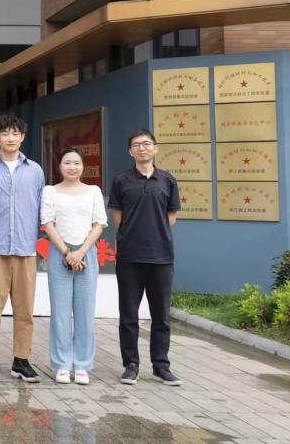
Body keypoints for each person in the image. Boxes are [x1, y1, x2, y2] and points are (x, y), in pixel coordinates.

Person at [0, 113, 46, 384]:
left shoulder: (35, 171)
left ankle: (21, 360)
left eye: (15, 133)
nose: (11, 138)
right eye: (5, 133)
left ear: (22, 137)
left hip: (25, 248)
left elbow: (39, 206)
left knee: (25, 309)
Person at [109, 129, 181, 387]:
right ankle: (131, 365)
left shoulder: (168, 180)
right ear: (130, 151)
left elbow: (171, 216)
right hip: (129, 256)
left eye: (146, 143)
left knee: (161, 315)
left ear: (155, 148)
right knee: (129, 314)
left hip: (161, 256)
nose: (142, 148)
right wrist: (132, 235)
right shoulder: (121, 180)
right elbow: (117, 217)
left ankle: (161, 366)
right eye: (136, 145)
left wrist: (155, 234)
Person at [40, 148, 107, 386]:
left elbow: (99, 224)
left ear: (83, 166)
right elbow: (48, 224)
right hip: (60, 253)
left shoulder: (93, 191)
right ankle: (62, 363)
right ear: (60, 166)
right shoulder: (50, 191)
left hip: (86, 253)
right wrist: (68, 253)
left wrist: (80, 252)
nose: (72, 167)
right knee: (60, 312)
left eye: (77, 163)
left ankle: (82, 364)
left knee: (85, 312)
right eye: (67, 162)